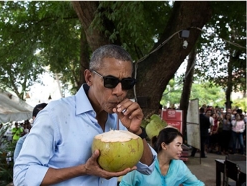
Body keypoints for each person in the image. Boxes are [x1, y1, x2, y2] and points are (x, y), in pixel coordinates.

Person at [14, 45, 157, 186]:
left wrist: (136, 132)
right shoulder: (56, 114)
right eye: (110, 81)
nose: (119, 91)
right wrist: (83, 169)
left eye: (127, 83)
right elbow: (23, 175)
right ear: (89, 77)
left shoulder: (122, 119)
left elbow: (148, 167)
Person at [120, 127, 204, 186]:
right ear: (164, 145)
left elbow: (196, 184)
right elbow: (124, 184)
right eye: (178, 145)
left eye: (181, 145)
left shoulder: (179, 166)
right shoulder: (143, 164)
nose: (181, 149)